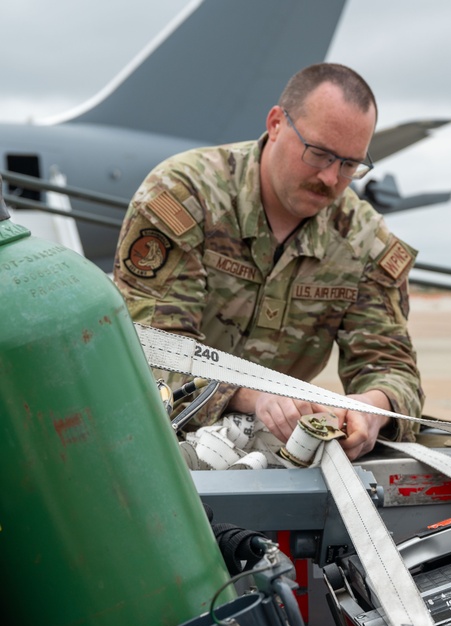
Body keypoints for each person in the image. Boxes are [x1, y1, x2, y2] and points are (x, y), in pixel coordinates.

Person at [113, 63, 423, 461]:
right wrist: (252, 395)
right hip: (147, 440)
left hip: (260, 454)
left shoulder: (364, 240)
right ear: (276, 123)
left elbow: (392, 366)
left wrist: (372, 408)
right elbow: (152, 351)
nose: (331, 178)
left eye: (350, 165)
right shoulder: (186, 196)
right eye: (319, 154)